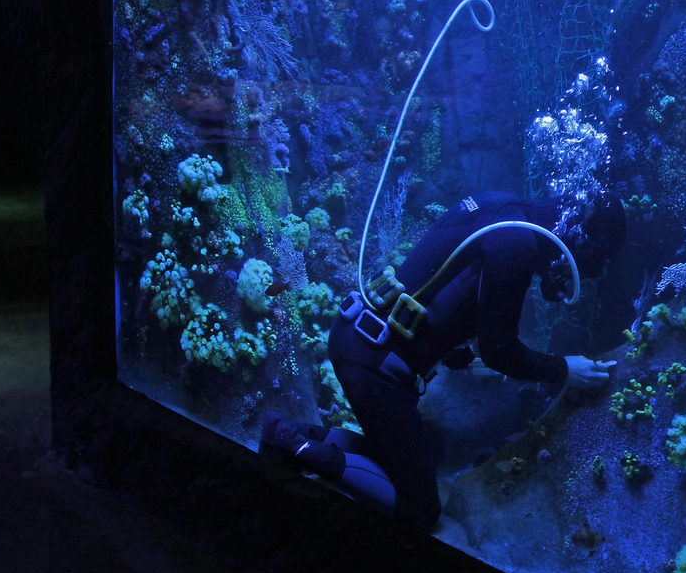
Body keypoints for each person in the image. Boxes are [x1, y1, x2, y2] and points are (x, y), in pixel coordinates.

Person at [259, 190, 625, 531]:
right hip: (377, 364)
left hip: (358, 336)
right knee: (419, 508)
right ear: (581, 241)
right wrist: (564, 369)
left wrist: (460, 353)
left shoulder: (499, 206)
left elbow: (443, 288)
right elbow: (499, 350)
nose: (571, 279)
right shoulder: (517, 244)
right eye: (589, 266)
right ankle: (299, 448)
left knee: (404, 461)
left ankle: (289, 436)